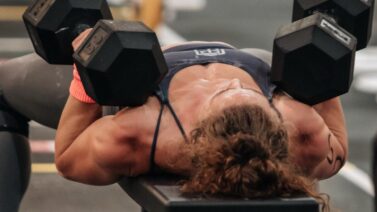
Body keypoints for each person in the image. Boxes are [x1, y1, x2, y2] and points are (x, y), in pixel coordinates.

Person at [54, 30, 347, 210]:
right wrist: (323, 67)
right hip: (250, 59)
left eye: (228, 92)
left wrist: (84, 69)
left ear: (201, 128)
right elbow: (339, 150)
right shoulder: (301, 128)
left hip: (142, 70)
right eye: (246, 92)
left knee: (8, 88)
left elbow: (67, 159)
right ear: (276, 119)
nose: (233, 83)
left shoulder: (143, 131)